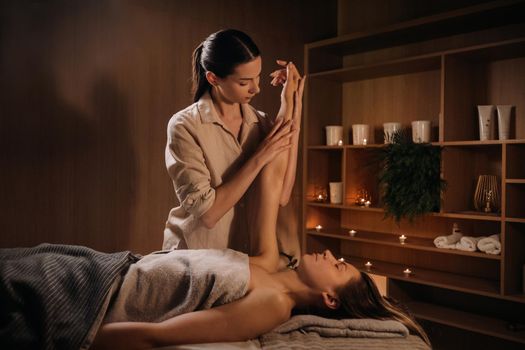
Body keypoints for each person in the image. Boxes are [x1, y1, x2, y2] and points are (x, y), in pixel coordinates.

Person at [90, 67, 430, 349]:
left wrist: (80, 340)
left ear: (330, 300)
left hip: (108, 294)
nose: (328, 254)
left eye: (338, 266)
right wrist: (292, 102)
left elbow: (157, 335)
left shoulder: (273, 305)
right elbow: (274, 180)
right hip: (119, 266)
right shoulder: (272, 262)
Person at [163, 29, 302, 260]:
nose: (256, 88)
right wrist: (260, 156)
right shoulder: (185, 126)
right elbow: (208, 214)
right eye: (244, 82)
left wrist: (292, 101)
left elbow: (283, 195)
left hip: (245, 259)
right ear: (213, 78)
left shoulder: (262, 122)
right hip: (197, 258)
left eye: (258, 77)